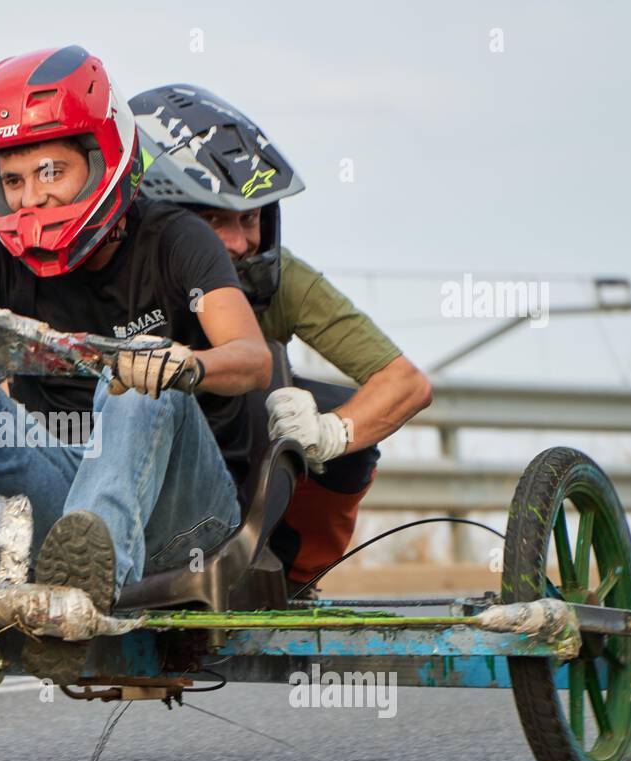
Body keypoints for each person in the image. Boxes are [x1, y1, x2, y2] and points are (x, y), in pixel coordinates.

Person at [0, 45, 271, 615]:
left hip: (187, 524)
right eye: (13, 179)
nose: (32, 198)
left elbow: (252, 358)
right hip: (68, 519)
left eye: (51, 172)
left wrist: (183, 363)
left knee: (136, 370)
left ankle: (87, 592)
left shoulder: (177, 239)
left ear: (102, 157)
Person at [128, 84, 433, 595]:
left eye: (249, 219)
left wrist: (329, 434)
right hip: (135, 461)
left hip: (238, 468)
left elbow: (406, 383)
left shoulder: (279, 276)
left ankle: (290, 579)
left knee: (308, 405)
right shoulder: (118, 271)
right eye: (211, 221)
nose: (239, 243)